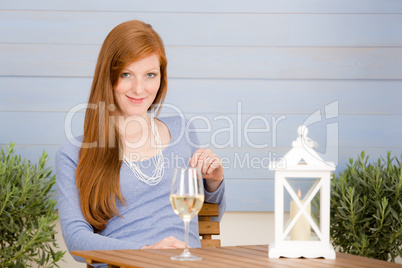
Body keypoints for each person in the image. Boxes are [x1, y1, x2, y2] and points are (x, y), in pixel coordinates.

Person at [56, 20, 225, 263]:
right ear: (109, 77)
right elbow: (76, 239)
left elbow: (208, 215)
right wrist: (144, 253)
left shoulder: (182, 130)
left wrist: (213, 182)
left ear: (161, 77)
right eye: (126, 74)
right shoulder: (73, 153)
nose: (139, 89)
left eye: (150, 75)